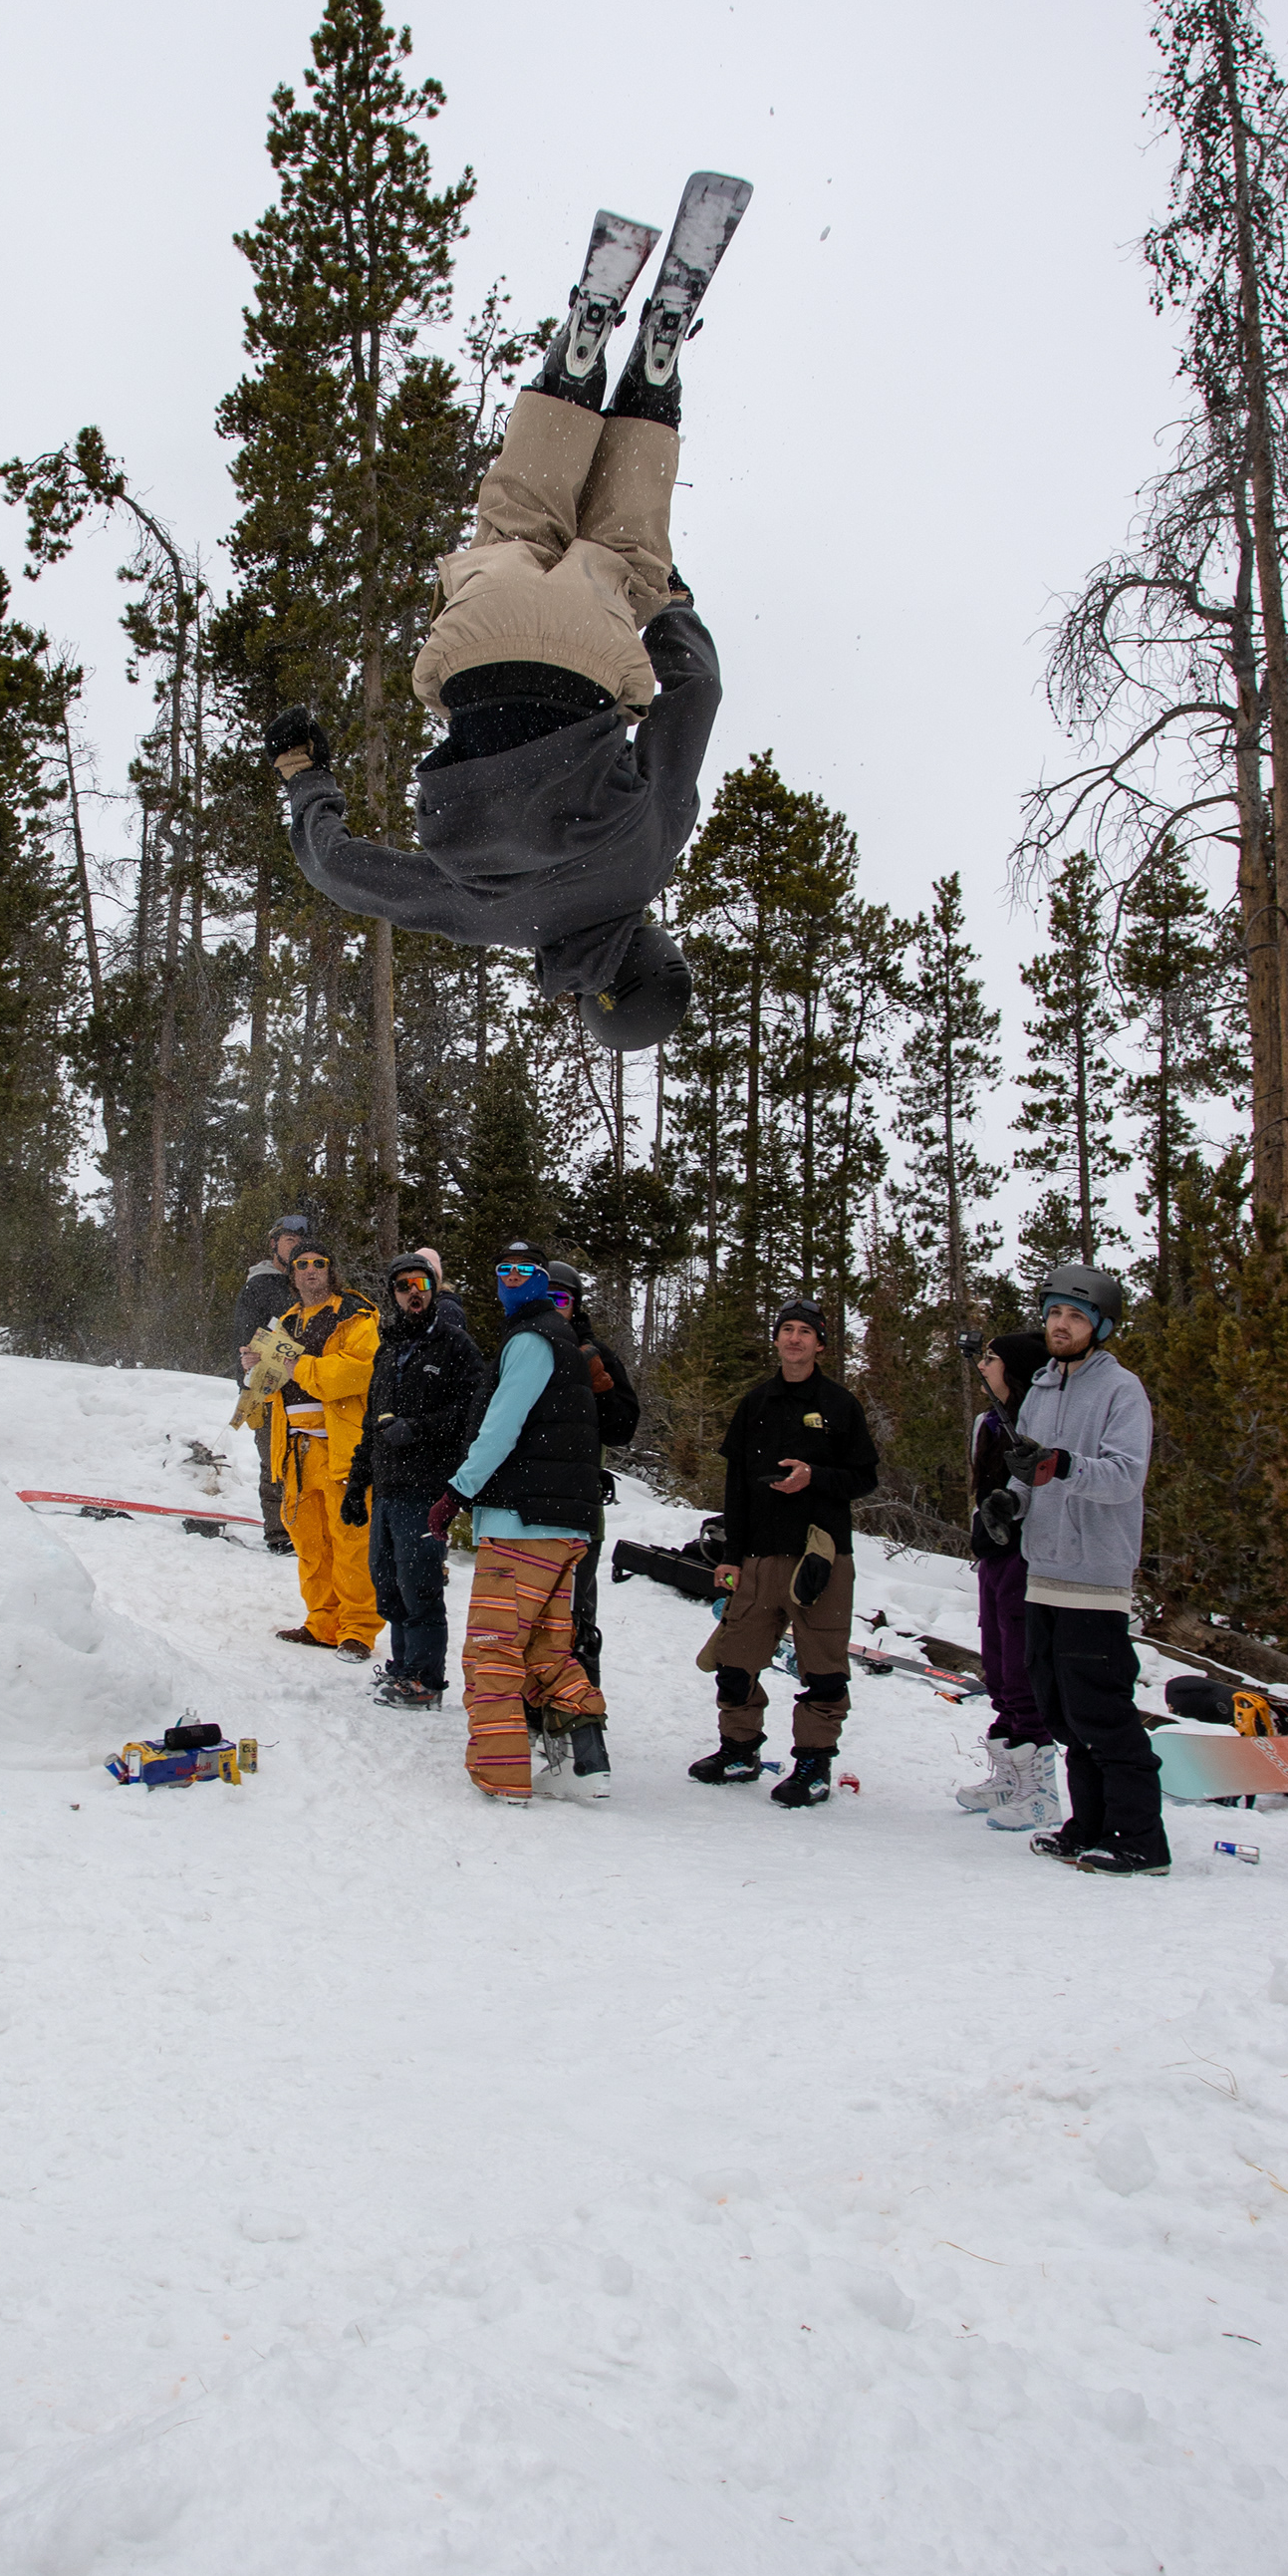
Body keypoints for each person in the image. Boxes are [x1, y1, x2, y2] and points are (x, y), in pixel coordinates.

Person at [264, 175, 753, 1055]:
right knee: (520, 518)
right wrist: (304, 774)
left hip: (593, 657)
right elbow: (342, 872)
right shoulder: (490, 916)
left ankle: (650, 365)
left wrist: (672, 608)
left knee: (627, 553)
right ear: (590, 992)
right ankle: (579, 358)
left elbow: (698, 693)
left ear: (650, 949)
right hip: (477, 654)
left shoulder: (647, 855)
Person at [991, 1265, 1163, 1877]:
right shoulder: (1040, 1389)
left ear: (1101, 1326)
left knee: (1102, 1713)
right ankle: (1089, 1826)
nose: (1060, 1326)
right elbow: (1028, 1472)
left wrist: (1063, 1465)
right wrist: (1009, 1501)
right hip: (1044, 1570)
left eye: (1075, 1316)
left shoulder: (1121, 1391)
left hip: (1095, 1574)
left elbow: (1125, 1478)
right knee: (1064, 1713)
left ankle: (1142, 1839)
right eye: (1054, 1314)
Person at [426, 1246, 611, 1803]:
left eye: (523, 1272)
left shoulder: (532, 1339)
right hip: (558, 1524)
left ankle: (503, 1775)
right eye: (502, 1270)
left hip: (523, 1524)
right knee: (546, 1652)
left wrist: (457, 1492)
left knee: (493, 1649)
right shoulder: (558, 1337)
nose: (510, 1279)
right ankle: (589, 1762)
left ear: (540, 1280)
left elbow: (502, 1427)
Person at [688, 1298, 879, 1807]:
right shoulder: (755, 1404)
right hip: (759, 1556)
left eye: (805, 1332)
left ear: (821, 1344)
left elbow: (865, 1478)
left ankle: (813, 1765)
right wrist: (730, 1555)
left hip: (821, 1557)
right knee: (734, 1662)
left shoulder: (840, 1405)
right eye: (787, 1329)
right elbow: (736, 1487)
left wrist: (815, 1477)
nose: (794, 1339)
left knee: (823, 1670)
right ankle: (739, 1750)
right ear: (776, 1339)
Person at [341, 1252, 484, 1709]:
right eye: (403, 1287)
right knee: (388, 1585)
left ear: (433, 1288)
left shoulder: (454, 1345)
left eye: (419, 1284)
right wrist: (356, 1485)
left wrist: (419, 1429)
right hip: (387, 1486)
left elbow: (471, 1411)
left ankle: (425, 1680)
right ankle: (402, 1668)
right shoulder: (388, 1348)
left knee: (419, 1585)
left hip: (425, 1486)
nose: (412, 1293)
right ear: (394, 1295)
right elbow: (371, 1423)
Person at [954, 1330, 1059, 1832]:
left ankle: (1040, 1791)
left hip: (1027, 1557)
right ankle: (1009, 1776)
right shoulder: (986, 1423)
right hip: (992, 1556)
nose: (982, 1366)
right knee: (997, 1669)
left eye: (991, 1359)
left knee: (1022, 1670)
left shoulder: (1038, 1423)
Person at [267, 1241, 384, 1660]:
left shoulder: (356, 1314)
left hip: (342, 1447)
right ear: (292, 1274)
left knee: (351, 1543)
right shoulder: (286, 1322)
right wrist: (256, 1366)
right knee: (310, 1544)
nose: (311, 1270)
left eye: (319, 1263)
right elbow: (270, 1384)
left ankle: (358, 1630)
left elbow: (355, 1372)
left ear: (331, 1270)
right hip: (295, 1450)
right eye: (302, 1264)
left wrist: (296, 1365)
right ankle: (322, 1622)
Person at [545, 1263, 641, 1736]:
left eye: (562, 1299)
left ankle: (583, 1711)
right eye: (546, 1296)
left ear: (576, 1305)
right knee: (529, 1613)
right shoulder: (521, 1345)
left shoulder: (595, 1353)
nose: (553, 1307)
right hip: (524, 1505)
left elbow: (623, 1428)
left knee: (576, 1611)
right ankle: (532, 1699)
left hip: (578, 1506)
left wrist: (600, 1390)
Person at [232, 1213, 312, 1556]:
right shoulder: (259, 1285)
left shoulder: (310, 1281)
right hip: (264, 1386)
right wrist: (247, 1373)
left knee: (307, 1461)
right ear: (274, 1243)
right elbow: (243, 1338)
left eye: (301, 1242)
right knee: (274, 1460)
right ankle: (280, 1534)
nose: (295, 1247)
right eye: (289, 1240)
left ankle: (305, 1527)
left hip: (304, 1384)